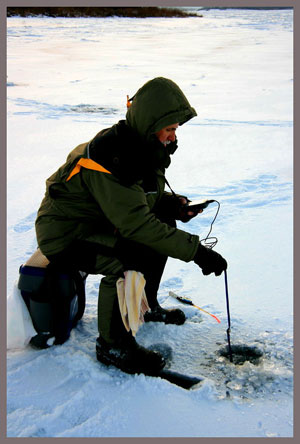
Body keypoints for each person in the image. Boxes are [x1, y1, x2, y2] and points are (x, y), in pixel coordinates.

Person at [35, 77, 227, 376]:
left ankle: (144, 307)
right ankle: (113, 345)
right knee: (127, 256)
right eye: (170, 129)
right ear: (152, 124)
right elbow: (136, 225)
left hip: (99, 222)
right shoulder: (112, 158)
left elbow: (135, 200)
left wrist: (168, 205)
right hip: (67, 235)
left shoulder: (139, 146)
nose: (174, 138)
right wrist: (197, 252)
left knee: (160, 222)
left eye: (176, 130)